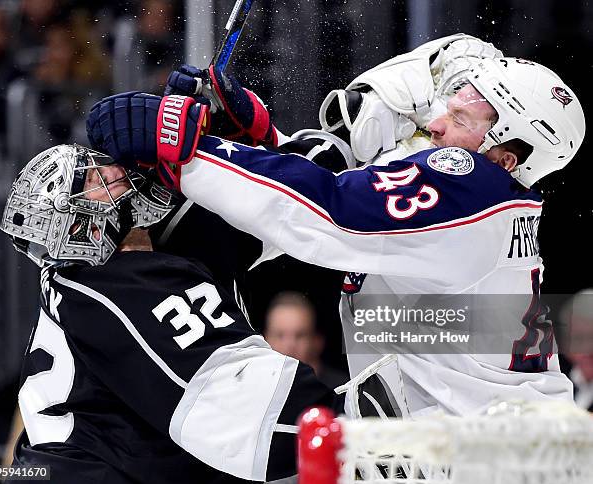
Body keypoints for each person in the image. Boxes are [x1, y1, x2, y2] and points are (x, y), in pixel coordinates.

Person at [86, 47, 585, 417]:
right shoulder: (487, 210)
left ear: (506, 156)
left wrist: (188, 144)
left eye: (457, 117)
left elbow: (324, 213)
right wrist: (261, 140)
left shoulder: (473, 188)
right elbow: (340, 193)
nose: (433, 125)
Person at [0, 144, 337, 484]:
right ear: (83, 228)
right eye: (92, 179)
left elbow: (263, 209)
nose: (114, 170)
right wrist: (350, 418)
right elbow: (262, 424)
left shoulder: (91, 277)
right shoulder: (127, 287)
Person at [264, 292, 348, 389]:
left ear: (317, 341)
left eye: (300, 335)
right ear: (264, 340)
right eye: (279, 335)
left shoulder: (342, 393)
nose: (289, 344)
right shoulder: (251, 387)